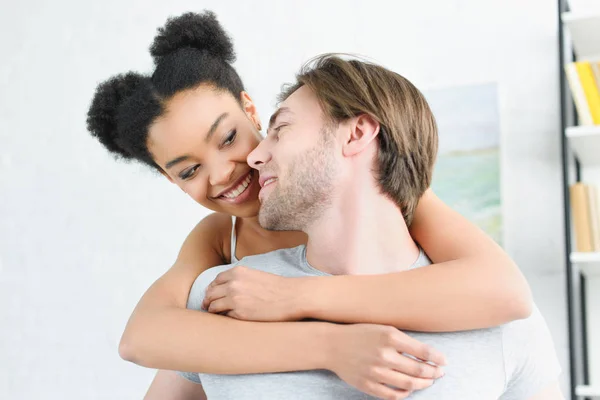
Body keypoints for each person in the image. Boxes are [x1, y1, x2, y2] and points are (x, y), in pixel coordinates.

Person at [86, 11, 535, 400]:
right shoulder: (219, 240)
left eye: (227, 139)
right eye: (188, 171)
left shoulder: (380, 201)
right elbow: (146, 337)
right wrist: (328, 347)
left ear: (251, 110)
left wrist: (291, 298)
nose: (223, 173)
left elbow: (504, 290)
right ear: (169, 179)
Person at [178, 55, 564, 399]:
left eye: (281, 130)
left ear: (358, 133)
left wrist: (296, 297)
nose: (256, 155)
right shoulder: (226, 292)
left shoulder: (499, 319)